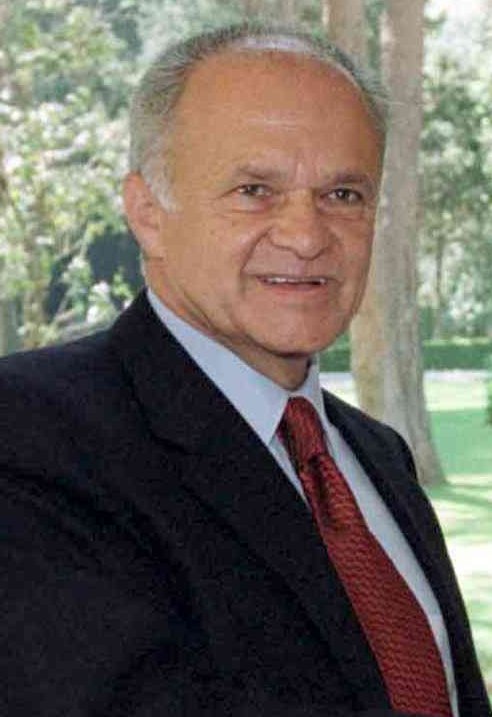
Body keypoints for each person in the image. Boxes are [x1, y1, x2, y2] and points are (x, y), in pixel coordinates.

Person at [1, 22, 490, 717]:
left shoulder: (377, 458)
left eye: (344, 194)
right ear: (147, 213)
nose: (307, 235)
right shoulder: (33, 439)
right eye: (255, 189)